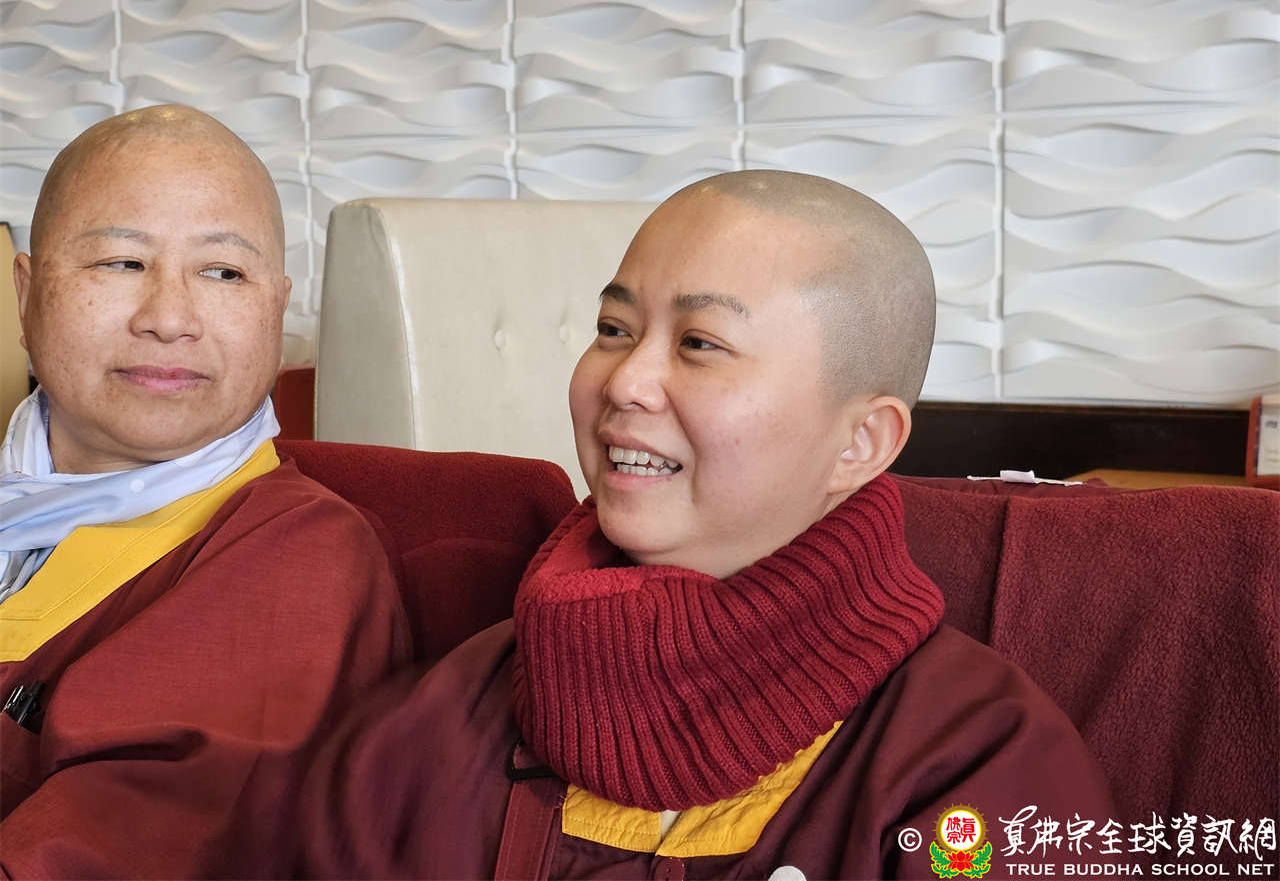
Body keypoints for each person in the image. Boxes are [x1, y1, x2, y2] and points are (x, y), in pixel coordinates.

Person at [301, 171, 1116, 879]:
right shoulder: (444, 718)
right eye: (614, 330)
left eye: (699, 343)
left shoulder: (979, 766)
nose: (626, 381)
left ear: (860, 442)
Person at [0, 105, 412, 877]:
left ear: (276, 309)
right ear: (26, 295)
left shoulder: (299, 560)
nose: (169, 318)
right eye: (122, 262)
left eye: (223, 272)